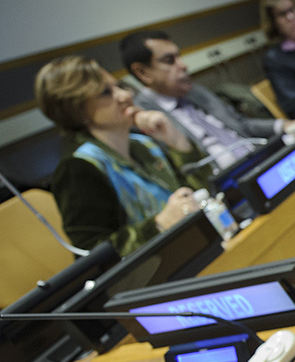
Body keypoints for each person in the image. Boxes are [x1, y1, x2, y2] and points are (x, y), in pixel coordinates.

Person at [34, 56, 202, 255]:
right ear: (77, 110)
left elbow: (202, 192)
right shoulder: (78, 168)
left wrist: (177, 141)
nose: (125, 95)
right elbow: (92, 252)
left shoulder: (143, 144)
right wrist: (159, 224)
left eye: (119, 86)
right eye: (106, 92)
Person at [120, 30, 295, 172]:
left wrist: (283, 125)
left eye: (179, 56)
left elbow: (241, 124)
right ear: (143, 73)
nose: (183, 65)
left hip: (260, 159)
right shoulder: (144, 121)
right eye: (169, 60)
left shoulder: (195, 92)